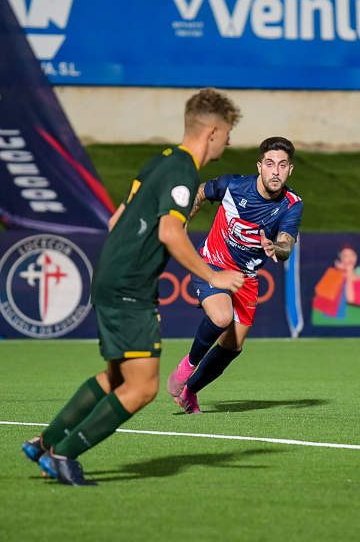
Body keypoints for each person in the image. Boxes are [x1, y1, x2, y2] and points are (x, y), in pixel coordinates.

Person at [21, 88, 245, 485]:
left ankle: (45, 442)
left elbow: (116, 220)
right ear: (212, 131)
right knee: (142, 388)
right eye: (227, 134)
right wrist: (214, 276)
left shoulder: (161, 160)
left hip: (111, 276)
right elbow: (170, 232)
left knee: (117, 377)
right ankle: (63, 454)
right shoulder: (183, 171)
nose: (228, 142)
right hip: (129, 288)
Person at [166, 136, 303, 414]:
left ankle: (190, 391)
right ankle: (187, 366)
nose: (275, 171)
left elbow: (287, 244)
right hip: (212, 265)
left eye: (282, 165)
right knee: (221, 317)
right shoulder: (234, 186)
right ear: (259, 167)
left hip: (246, 278)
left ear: (290, 170)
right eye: (269, 164)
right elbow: (203, 191)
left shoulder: (292, 204)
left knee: (233, 345)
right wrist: (182, 220)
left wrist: (276, 246)